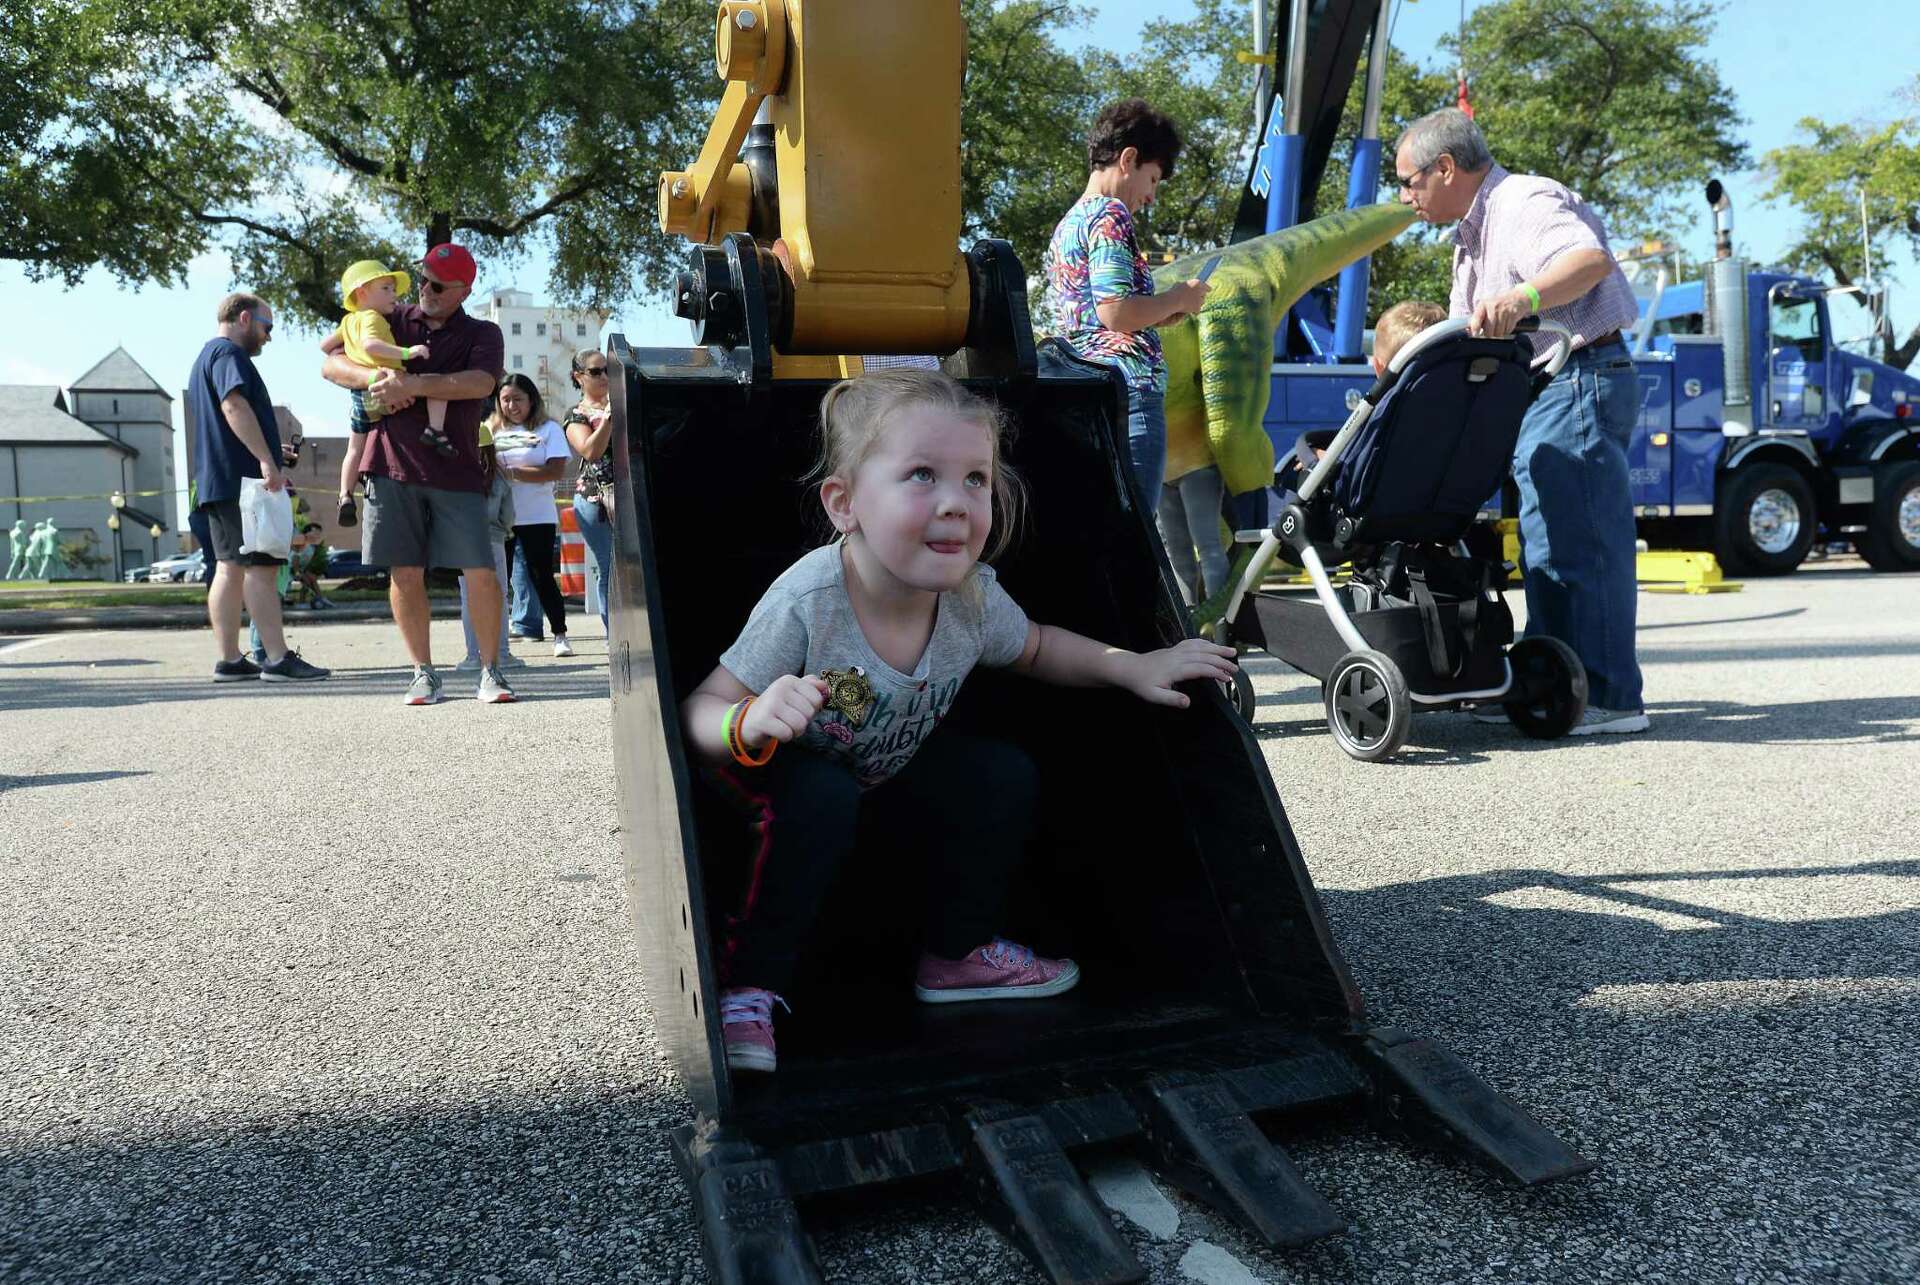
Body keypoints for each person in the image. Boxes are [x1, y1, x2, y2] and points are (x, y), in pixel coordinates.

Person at [683, 369, 1238, 1073]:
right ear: (844, 502)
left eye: (976, 479)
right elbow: (697, 713)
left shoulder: (972, 597)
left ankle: (955, 954)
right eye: (922, 475)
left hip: (874, 776)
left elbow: (1035, 645)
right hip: (774, 781)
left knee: (995, 775)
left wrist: (1131, 664)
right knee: (816, 796)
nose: (956, 503)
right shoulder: (809, 600)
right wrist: (750, 720)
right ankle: (747, 987)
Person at [1395, 107, 1646, 735]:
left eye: (1409, 181)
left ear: (1445, 168)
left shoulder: (1523, 201)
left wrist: (1523, 297)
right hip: (1550, 386)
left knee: (1578, 543)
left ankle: (1609, 699)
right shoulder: (1471, 236)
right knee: (1547, 543)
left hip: (1578, 375)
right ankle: (1556, 688)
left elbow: (1589, 261)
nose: (1404, 197)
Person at [319, 243, 512, 705]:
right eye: (422, 277)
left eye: (438, 284)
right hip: (389, 465)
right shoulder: (390, 316)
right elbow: (330, 361)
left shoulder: (483, 332)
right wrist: (373, 380)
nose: (425, 288)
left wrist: (414, 385)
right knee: (404, 573)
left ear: (463, 291)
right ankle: (422, 672)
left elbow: (481, 383)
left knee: (480, 572)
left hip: (459, 468)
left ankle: (491, 671)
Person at [1044, 98, 1210, 502]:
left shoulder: (1069, 223)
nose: (1151, 196)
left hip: (1088, 391)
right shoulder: (1111, 214)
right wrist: (1178, 297)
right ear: (1128, 159)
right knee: (1138, 533)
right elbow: (1117, 312)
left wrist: (1159, 312)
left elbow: (1095, 316)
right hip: (1130, 392)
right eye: (1152, 179)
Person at [186, 291, 330, 684]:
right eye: (268, 326)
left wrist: (268, 448)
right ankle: (277, 658)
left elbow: (225, 418)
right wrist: (267, 461)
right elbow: (234, 406)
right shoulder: (229, 355)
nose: (269, 336)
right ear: (245, 318)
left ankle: (230, 660)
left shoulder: (206, 357)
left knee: (230, 567)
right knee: (262, 566)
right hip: (243, 481)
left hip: (219, 479)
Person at [490, 373, 572, 655]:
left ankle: (560, 635)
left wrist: (512, 473)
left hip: (537, 515)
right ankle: (496, 640)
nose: (512, 405)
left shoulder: (549, 429)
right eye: (506, 400)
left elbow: (555, 471)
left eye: (518, 399)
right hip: (500, 517)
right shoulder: (491, 430)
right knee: (498, 579)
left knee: (543, 576)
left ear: (532, 400)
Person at [335, 260, 451, 456]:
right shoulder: (373, 317)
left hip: (360, 396)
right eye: (386, 288)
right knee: (436, 387)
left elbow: (326, 348)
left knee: (354, 449)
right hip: (386, 388)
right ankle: (436, 428)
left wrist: (353, 351)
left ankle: (346, 488)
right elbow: (370, 345)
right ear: (362, 293)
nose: (394, 294)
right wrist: (407, 352)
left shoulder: (348, 321)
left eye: (393, 289)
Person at [455, 404, 523, 672]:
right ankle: (502, 654)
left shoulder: (456, 477)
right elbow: (509, 516)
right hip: (494, 540)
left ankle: (473, 656)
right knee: (499, 596)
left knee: (468, 598)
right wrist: (504, 529)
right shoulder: (500, 478)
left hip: (463, 543)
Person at [562, 349, 616, 631]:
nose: (605, 376)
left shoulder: (624, 403)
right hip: (594, 500)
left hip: (630, 497)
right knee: (610, 566)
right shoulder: (576, 414)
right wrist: (607, 418)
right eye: (596, 372)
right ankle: (614, 636)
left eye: (607, 370)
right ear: (578, 377)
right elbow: (591, 451)